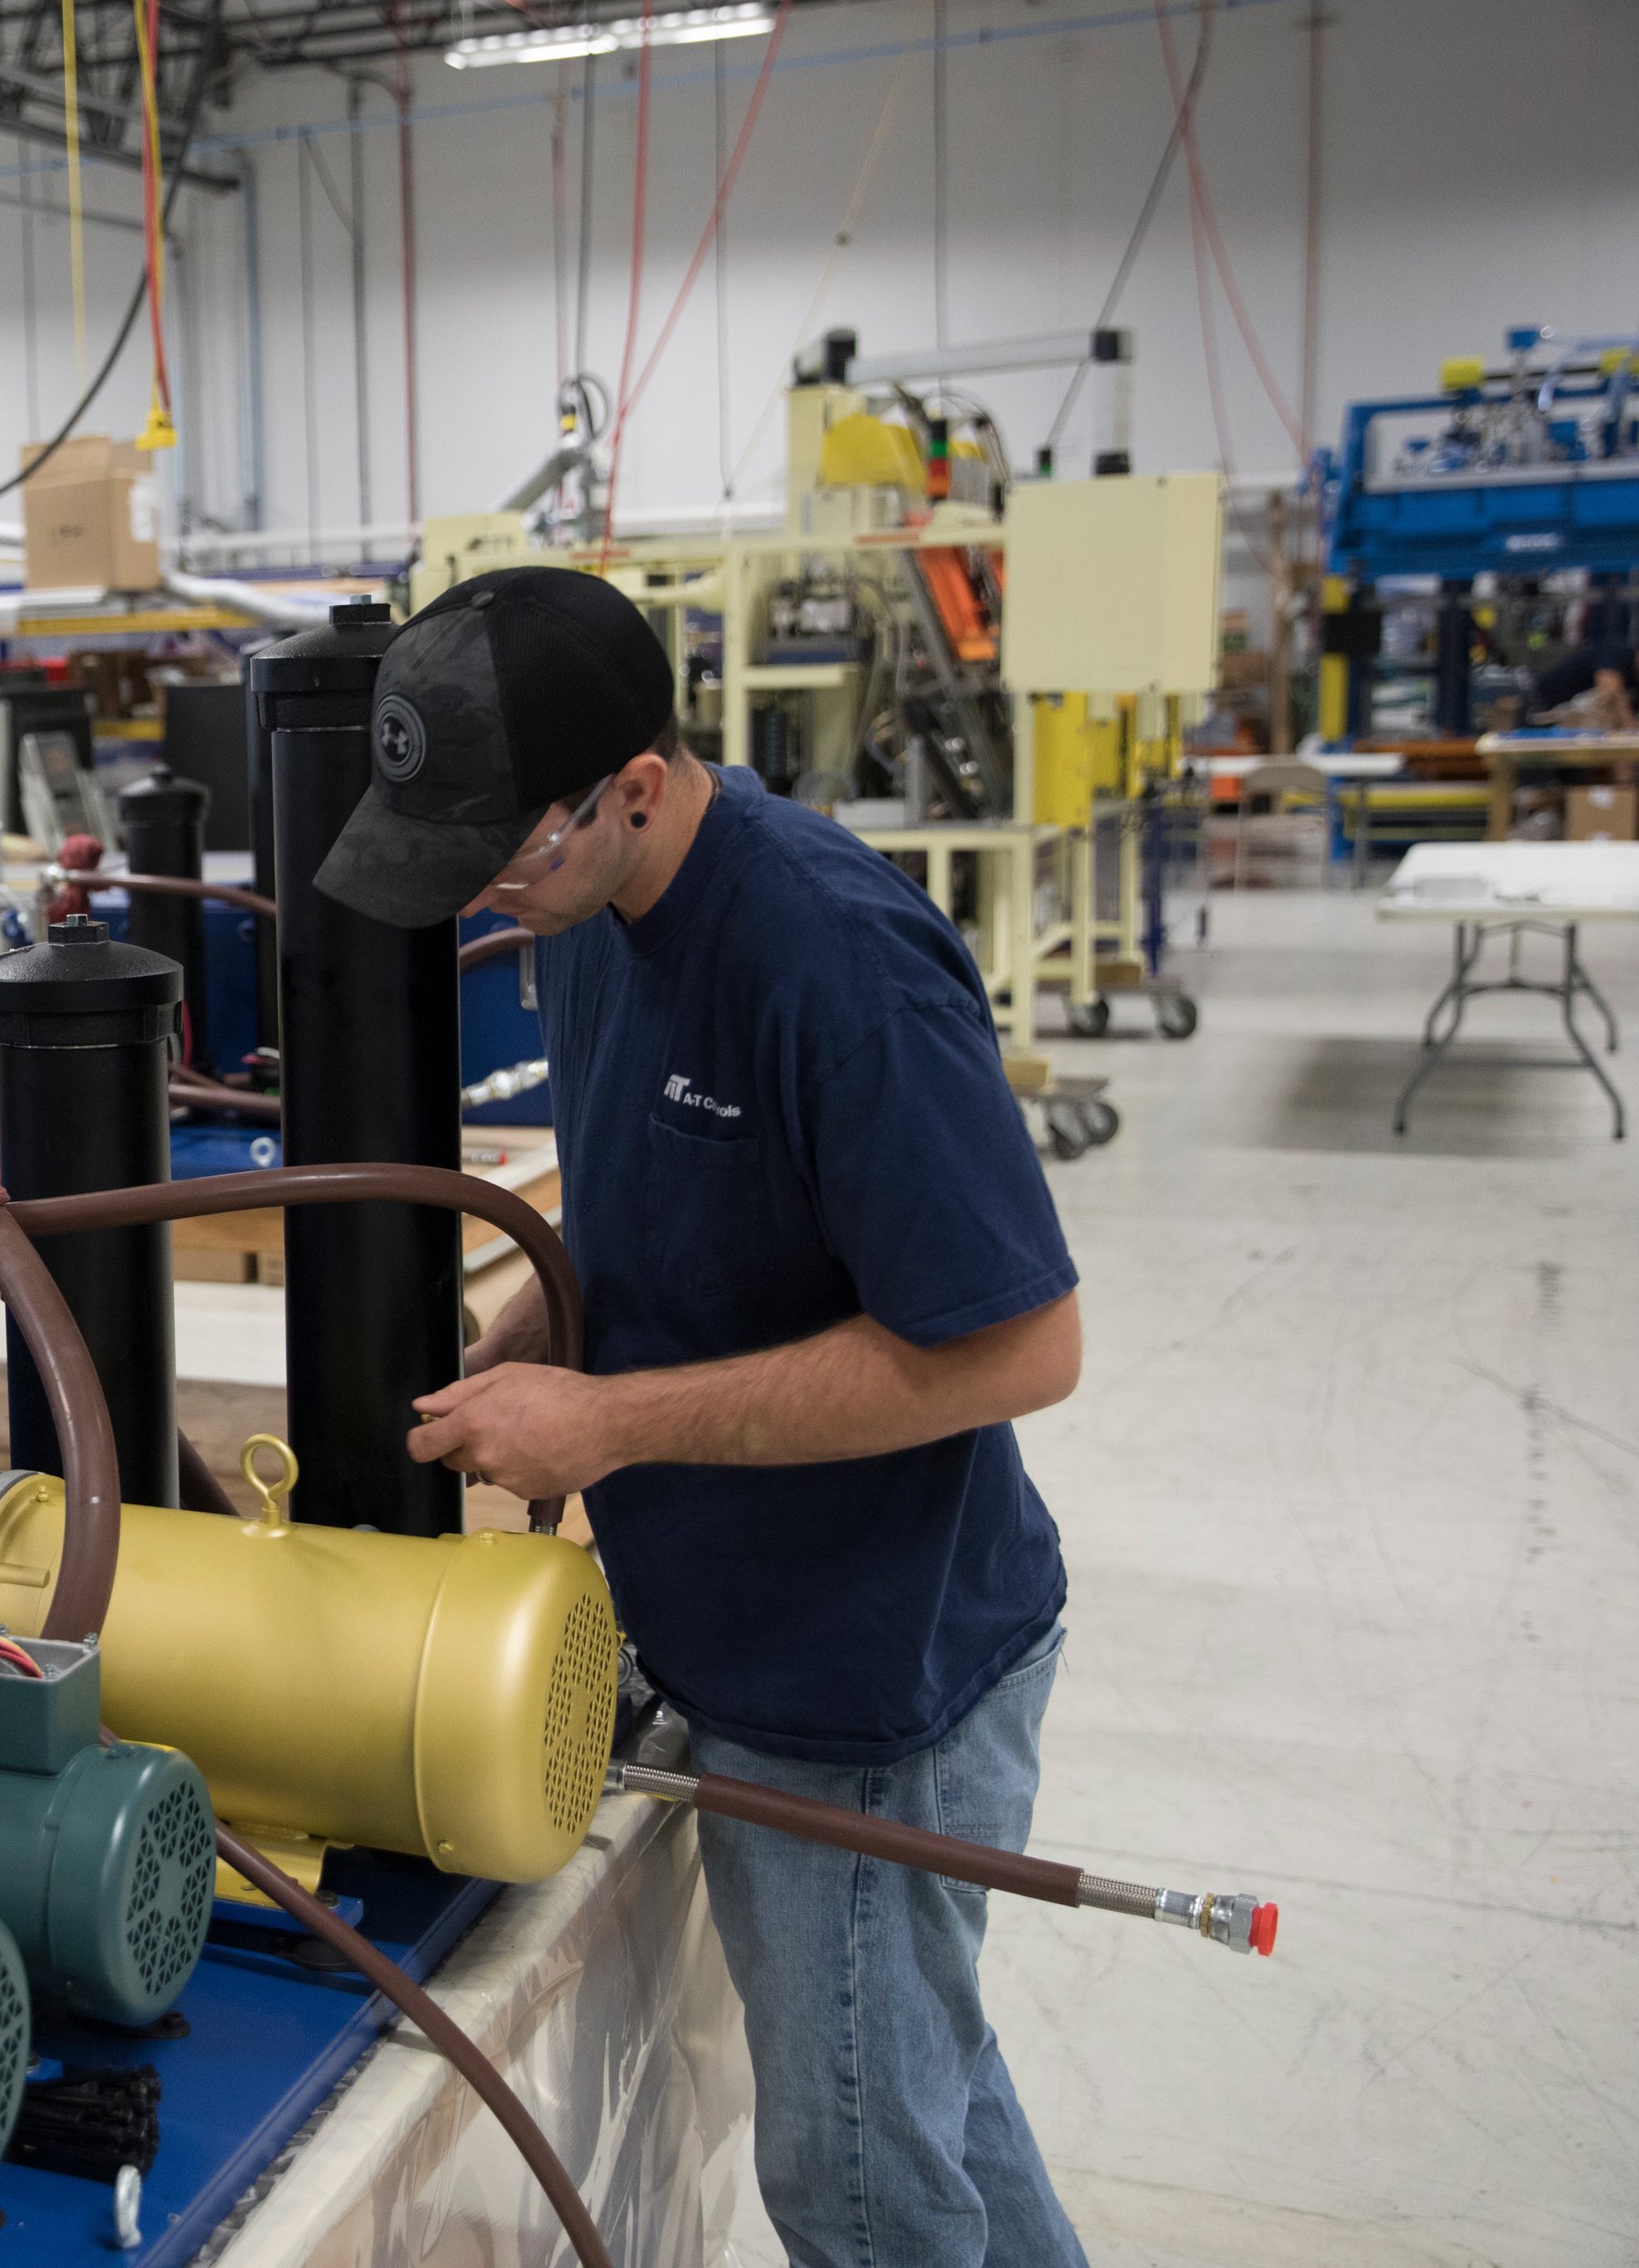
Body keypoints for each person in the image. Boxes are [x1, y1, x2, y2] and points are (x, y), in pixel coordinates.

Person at [316, 566, 1091, 2268]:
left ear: (640, 791)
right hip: (742, 1627)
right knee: (917, 2105)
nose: (490, 907)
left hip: (873, 1680)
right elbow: (672, 1187)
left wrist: (612, 1425)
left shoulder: (835, 960)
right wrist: (544, 1315)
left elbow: (1019, 1349)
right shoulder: (591, 920)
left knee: (861, 2184)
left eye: (507, 856)